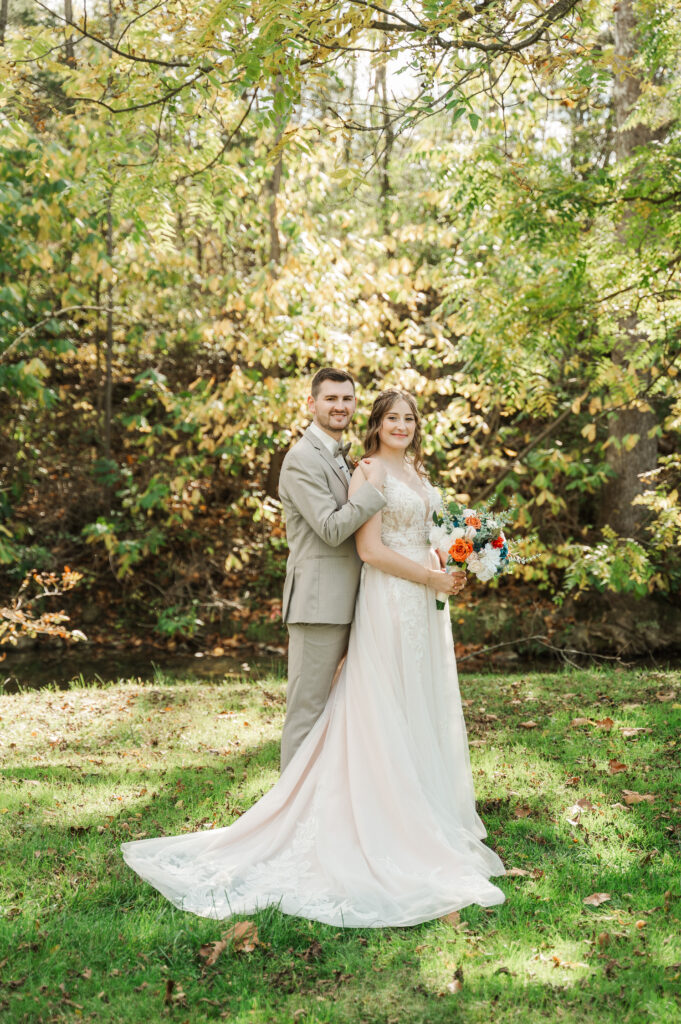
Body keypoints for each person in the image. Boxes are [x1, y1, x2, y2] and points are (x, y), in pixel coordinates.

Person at [121, 388, 506, 927]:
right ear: (374, 422)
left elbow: (425, 530)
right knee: (356, 705)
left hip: (423, 602)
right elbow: (364, 547)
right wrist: (430, 573)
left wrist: (463, 549)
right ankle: (310, 818)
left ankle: (426, 803)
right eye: (391, 417)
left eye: (409, 418)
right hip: (390, 596)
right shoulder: (360, 469)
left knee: (418, 701)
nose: (401, 424)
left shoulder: (413, 471)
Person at [277, 368, 387, 770]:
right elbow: (330, 529)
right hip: (318, 605)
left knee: (339, 711)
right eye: (330, 399)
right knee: (306, 712)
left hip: (353, 601)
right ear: (312, 403)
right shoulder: (301, 460)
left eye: (347, 399)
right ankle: (288, 818)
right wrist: (376, 493)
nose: (340, 406)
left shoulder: (341, 456)